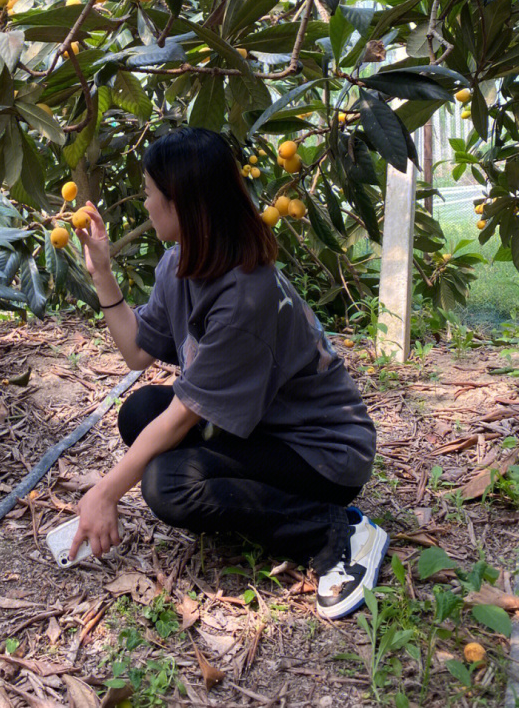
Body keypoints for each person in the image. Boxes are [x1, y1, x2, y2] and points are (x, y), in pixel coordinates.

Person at [69, 126, 389, 620]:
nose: (147, 204)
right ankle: (252, 501)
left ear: (181, 204)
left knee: (169, 485)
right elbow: (136, 354)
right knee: (139, 412)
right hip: (265, 425)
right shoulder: (182, 264)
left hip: (320, 451)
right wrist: (102, 274)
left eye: (152, 194)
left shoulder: (245, 294)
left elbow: (182, 417)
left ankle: (336, 533)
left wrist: (106, 491)